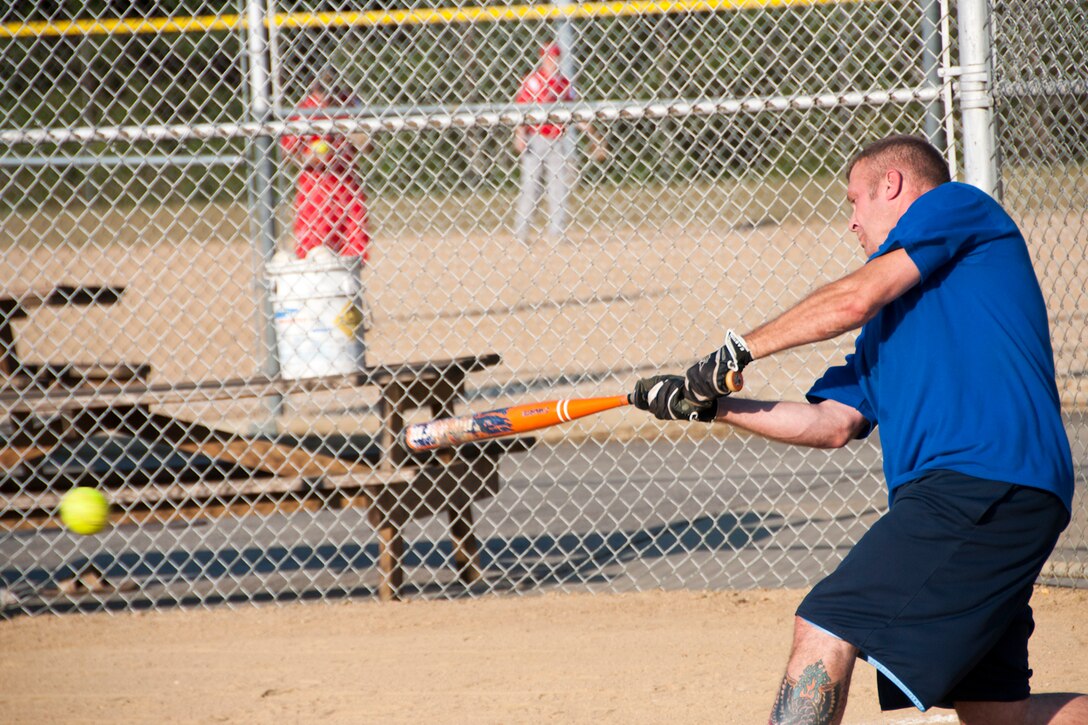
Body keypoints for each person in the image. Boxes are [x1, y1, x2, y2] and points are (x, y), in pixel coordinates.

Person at [631, 135, 1088, 723]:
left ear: (892, 184)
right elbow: (829, 424)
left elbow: (854, 299)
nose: (851, 223)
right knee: (997, 714)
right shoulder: (884, 336)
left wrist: (738, 351)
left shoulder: (956, 205)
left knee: (825, 623)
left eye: (855, 201)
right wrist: (712, 407)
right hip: (990, 493)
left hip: (979, 479)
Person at [513, 41, 605, 244]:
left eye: (555, 58)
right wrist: (519, 135)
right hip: (535, 139)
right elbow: (521, 110)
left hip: (557, 139)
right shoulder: (533, 81)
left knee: (559, 187)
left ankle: (556, 232)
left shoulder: (564, 84)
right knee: (531, 187)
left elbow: (576, 114)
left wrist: (594, 138)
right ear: (541, 59)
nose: (551, 62)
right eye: (548, 58)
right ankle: (522, 231)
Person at [281, 71, 371, 260]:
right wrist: (312, 158)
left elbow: (368, 146)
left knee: (353, 251)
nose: (328, 95)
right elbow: (287, 154)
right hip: (315, 187)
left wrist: (347, 126)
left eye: (332, 87)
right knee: (315, 252)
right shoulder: (305, 109)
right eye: (322, 89)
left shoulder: (349, 104)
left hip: (347, 185)